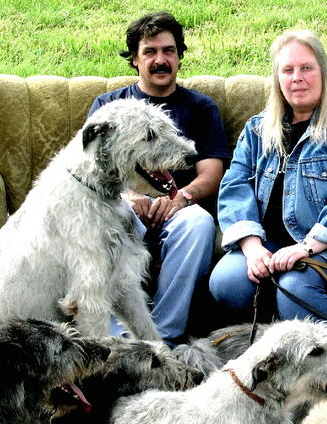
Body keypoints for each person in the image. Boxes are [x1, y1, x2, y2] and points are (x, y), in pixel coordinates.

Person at [209, 29, 327, 335]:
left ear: (322, 72)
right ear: (278, 79)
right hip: (275, 244)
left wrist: (308, 247)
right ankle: (281, 354)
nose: (297, 77)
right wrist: (253, 247)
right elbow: (234, 186)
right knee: (227, 282)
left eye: (306, 68)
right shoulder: (258, 129)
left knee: (295, 284)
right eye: (288, 70)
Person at [87, 11, 230, 347]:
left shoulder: (200, 108)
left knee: (198, 223)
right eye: (150, 52)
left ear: (179, 56)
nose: (160, 60)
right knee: (100, 224)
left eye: (168, 50)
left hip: (177, 210)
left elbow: (212, 172)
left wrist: (181, 197)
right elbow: (91, 170)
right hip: (122, 209)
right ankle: (116, 340)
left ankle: (164, 337)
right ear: (135, 60)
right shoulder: (109, 106)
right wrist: (127, 198)